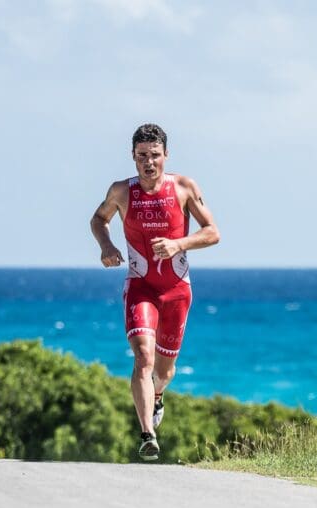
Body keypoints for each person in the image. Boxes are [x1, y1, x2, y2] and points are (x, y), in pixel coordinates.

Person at [90, 123, 220, 460]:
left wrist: (179, 243)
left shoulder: (183, 187)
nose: (149, 163)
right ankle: (147, 433)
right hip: (141, 286)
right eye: (142, 156)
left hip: (177, 290)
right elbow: (98, 219)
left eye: (155, 156)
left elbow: (212, 232)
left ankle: (158, 395)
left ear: (166, 155)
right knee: (143, 356)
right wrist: (106, 245)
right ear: (133, 157)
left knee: (164, 371)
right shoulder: (121, 191)